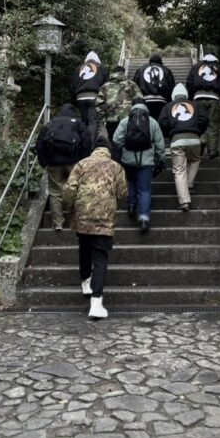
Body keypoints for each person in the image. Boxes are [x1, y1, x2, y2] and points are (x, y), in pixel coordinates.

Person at [63, 135, 127, 319]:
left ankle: (85, 281)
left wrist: (70, 207)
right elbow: (123, 193)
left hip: (82, 215)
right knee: (100, 257)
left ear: (93, 149)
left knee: (84, 247)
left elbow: (69, 189)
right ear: (108, 150)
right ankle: (96, 302)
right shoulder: (116, 167)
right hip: (104, 218)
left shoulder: (81, 164)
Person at [113, 97, 166, 233]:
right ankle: (144, 219)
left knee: (131, 182)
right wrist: (161, 158)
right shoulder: (152, 122)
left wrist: (124, 148)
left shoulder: (125, 121)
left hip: (128, 160)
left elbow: (116, 140)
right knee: (144, 189)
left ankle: (131, 205)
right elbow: (160, 144)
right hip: (146, 161)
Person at [35, 104, 92, 231]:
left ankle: (58, 223)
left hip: (54, 164)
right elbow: (86, 142)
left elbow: (39, 143)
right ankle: (75, 220)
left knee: (55, 193)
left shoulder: (51, 123)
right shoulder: (78, 124)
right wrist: (83, 161)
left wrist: (44, 162)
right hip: (73, 163)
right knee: (74, 190)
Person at [158, 84, 209, 212]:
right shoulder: (195, 105)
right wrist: (198, 131)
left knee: (179, 170)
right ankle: (190, 183)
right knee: (195, 160)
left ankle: (184, 201)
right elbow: (205, 119)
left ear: (173, 95)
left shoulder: (168, 106)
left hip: (177, 140)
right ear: (186, 94)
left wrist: (170, 133)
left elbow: (162, 122)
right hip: (194, 139)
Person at [186, 53, 220, 158]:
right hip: (214, 98)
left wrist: (190, 98)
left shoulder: (196, 67)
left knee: (199, 123)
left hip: (198, 98)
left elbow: (190, 83)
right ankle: (212, 151)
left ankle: (199, 147)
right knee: (213, 124)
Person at [95, 65, 141, 143]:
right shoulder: (131, 84)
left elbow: (99, 105)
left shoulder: (105, 86)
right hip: (128, 119)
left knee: (113, 142)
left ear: (113, 73)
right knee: (128, 142)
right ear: (123, 73)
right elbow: (139, 101)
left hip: (111, 120)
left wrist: (102, 119)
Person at [70, 50, 109, 142]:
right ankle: (90, 145)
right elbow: (106, 85)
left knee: (83, 121)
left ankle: (82, 143)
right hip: (94, 97)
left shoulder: (78, 68)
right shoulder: (101, 68)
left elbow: (72, 85)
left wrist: (73, 100)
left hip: (80, 97)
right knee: (93, 121)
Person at [132, 52, 175, 121]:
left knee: (146, 123)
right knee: (160, 122)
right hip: (162, 101)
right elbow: (172, 87)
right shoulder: (166, 70)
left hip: (145, 101)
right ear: (161, 61)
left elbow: (134, 85)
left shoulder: (141, 69)